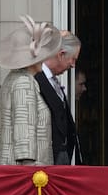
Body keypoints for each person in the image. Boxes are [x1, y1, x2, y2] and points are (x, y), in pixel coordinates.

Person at [0, 15, 61, 165]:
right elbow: (24, 130)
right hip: (27, 175)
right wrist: (30, 170)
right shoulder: (24, 83)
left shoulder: (14, 78)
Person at [34, 30, 83, 164]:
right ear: (61, 55)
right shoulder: (35, 80)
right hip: (45, 162)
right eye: (73, 59)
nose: (73, 65)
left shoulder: (53, 80)